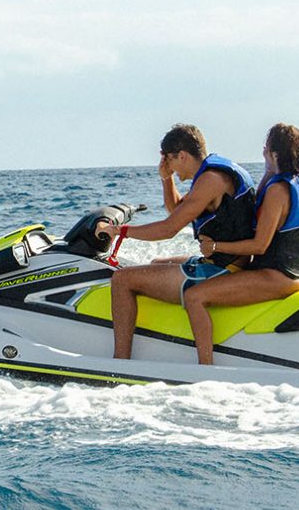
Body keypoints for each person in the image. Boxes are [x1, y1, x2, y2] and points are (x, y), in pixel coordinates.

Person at [96, 124, 256, 363]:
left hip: (222, 269)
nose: (167, 165)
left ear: (182, 156)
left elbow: (169, 228)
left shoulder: (211, 180)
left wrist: (118, 231)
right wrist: (166, 179)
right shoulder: (213, 174)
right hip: (223, 261)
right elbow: (177, 212)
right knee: (157, 262)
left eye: (168, 160)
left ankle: (120, 362)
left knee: (122, 280)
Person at [180, 123, 299, 364]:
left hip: (278, 276)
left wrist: (215, 247)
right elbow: (268, 213)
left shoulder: (278, 191)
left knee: (195, 296)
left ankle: (205, 369)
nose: (263, 151)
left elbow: (259, 246)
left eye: (266, 148)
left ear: (275, 154)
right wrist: (269, 172)